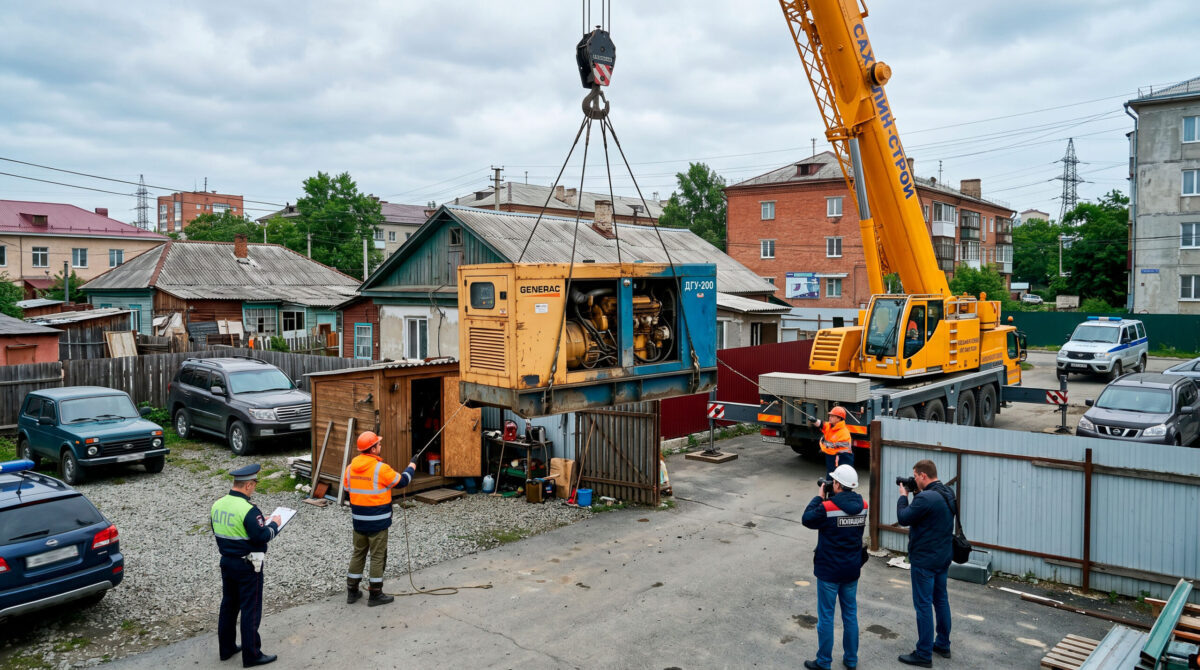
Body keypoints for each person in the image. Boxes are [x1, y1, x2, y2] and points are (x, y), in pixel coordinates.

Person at [210, 464, 280, 668]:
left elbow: (224, 530)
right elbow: (262, 537)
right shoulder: (249, 510)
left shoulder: (218, 504)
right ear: (248, 485)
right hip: (249, 565)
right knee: (251, 609)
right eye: (255, 484)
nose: (255, 488)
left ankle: (227, 648)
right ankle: (252, 655)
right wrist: (274, 523)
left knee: (229, 605)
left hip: (227, 562)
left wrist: (259, 523)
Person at [801, 464, 868, 670]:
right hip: (851, 569)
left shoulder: (827, 507)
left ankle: (824, 662)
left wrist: (820, 496)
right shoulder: (864, 506)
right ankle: (851, 659)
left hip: (829, 571)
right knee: (850, 615)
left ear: (837, 484)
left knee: (827, 617)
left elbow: (807, 519)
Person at [344, 431, 417, 606]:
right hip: (378, 521)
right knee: (377, 556)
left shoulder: (350, 468)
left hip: (359, 520)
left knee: (358, 553)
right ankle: (375, 594)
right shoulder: (381, 469)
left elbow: (348, 489)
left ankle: (352, 592)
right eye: (378, 444)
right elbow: (402, 481)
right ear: (373, 449)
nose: (380, 446)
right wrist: (412, 466)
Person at [896, 459, 956, 667]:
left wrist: (903, 497)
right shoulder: (947, 492)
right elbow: (929, 515)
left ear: (923, 476)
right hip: (942, 557)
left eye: (915, 476)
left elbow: (904, 517)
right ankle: (943, 644)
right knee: (940, 601)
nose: (913, 480)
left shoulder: (925, 499)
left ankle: (923, 653)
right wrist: (916, 493)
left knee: (923, 605)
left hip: (925, 560)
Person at [811, 406, 853, 477]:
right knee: (831, 476)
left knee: (836, 478)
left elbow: (835, 446)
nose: (830, 417)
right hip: (832, 457)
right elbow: (821, 424)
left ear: (839, 418)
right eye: (830, 415)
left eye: (832, 416)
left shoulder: (844, 432)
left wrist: (824, 447)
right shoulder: (830, 426)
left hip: (840, 459)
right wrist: (814, 421)